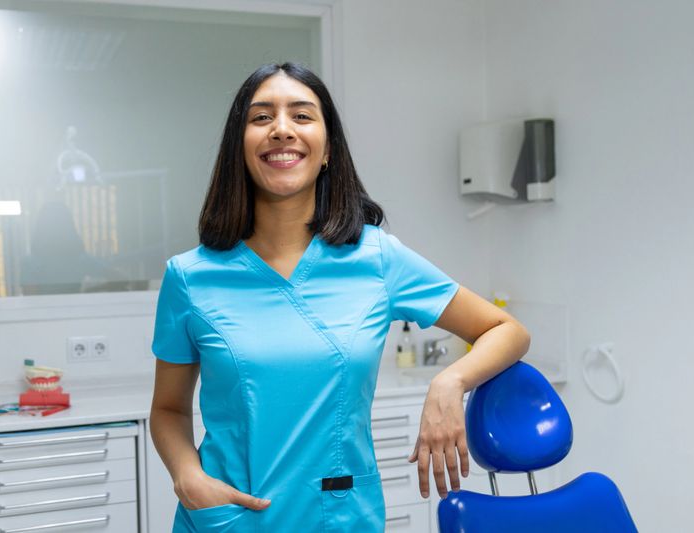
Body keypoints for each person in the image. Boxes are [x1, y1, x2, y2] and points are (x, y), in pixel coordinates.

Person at [150, 62, 530, 532]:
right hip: (227, 516)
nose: (282, 130)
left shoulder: (377, 257)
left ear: (327, 150)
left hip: (339, 516)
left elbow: (505, 330)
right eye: (262, 117)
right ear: (239, 149)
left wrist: (449, 384)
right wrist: (187, 476)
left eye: (302, 116)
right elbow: (167, 409)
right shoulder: (190, 277)